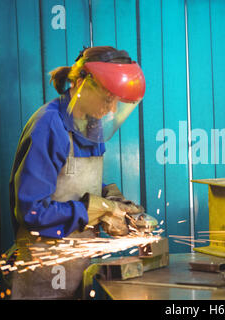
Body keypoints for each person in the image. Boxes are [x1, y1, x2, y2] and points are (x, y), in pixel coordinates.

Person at [8, 46, 150, 299]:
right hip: (42, 271)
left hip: (77, 266)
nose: (112, 109)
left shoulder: (90, 124)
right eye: (108, 98)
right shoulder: (49, 126)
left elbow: (73, 182)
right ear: (82, 84)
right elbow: (31, 212)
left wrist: (114, 202)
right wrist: (92, 210)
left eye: (117, 101)